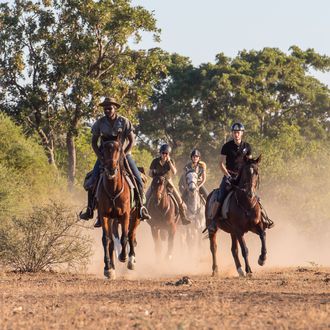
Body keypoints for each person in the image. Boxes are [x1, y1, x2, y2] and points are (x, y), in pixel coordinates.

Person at [79, 96, 151, 226]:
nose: (107, 110)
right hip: (105, 157)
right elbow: (94, 143)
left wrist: (124, 153)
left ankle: (141, 208)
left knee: (138, 180)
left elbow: (131, 140)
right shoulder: (99, 123)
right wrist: (100, 156)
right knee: (92, 180)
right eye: (105, 108)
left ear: (115, 108)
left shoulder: (124, 121)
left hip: (124, 155)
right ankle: (90, 209)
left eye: (110, 108)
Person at [208, 123, 252, 232]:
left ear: (242, 133)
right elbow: (221, 164)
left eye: (238, 132)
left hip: (242, 178)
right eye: (234, 132)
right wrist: (228, 176)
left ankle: (262, 218)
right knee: (221, 195)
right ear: (232, 133)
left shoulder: (247, 147)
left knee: (252, 194)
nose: (236, 134)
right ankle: (213, 221)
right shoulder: (226, 146)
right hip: (229, 176)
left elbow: (249, 164)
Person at [146, 144, 191, 225]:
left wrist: (169, 162)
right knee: (146, 196)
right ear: (160, 153)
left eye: (166, 153)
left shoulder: (171, 161)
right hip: (157, 182)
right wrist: (154, 173)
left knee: (179, 200)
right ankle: (144, 214)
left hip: (168, 182)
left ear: (168, 154)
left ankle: (183, 217)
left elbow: (174, 172)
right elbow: (150, 173)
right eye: (163, 153)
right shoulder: (155, 161)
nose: (164, 155)